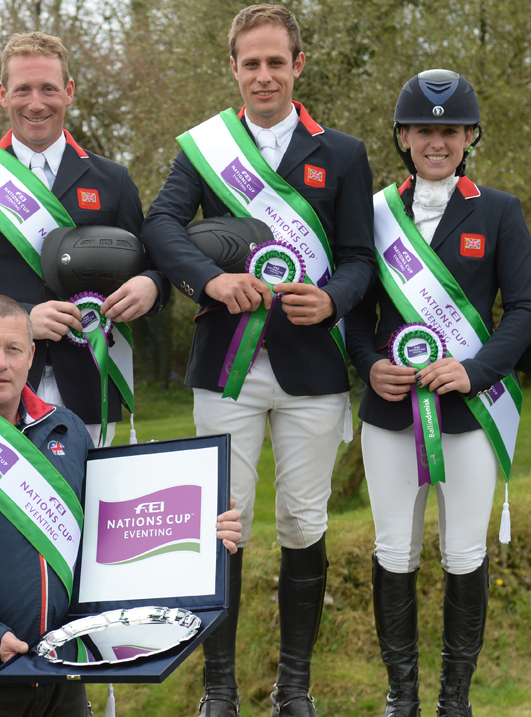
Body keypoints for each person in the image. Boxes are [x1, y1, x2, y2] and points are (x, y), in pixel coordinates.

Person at [140, 5, 376, 716]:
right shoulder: (204, 149)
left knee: (304, 523)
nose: (264, 75)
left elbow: (360, 257)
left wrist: (331, 300)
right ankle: (219, 690)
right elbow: (160, 224)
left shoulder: (343, 153)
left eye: (277, 62)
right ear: (234, 69)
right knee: (223, 521)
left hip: (313, 366)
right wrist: (209, 281)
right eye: (252, 63)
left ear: (298, 65)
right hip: (226, 365)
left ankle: (293, 689)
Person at [0, 294, 242, 717]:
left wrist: (202, 528)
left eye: (13, 349)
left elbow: (115, 535)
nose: (0, 363)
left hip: (62, 677)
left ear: (31, 356)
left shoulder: (67, 430)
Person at [346, 70, 531, 717]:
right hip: (389, 413)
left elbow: (523, 309)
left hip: (471, 411)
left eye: (451, 130)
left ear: (470, 136)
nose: (437, 141)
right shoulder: (373, 213)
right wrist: (370, 365)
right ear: (403, 135)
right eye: (424, 129)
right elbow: (355, 312)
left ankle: (456, 700)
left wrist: (476, 370)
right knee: (393, 550)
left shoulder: (500, 211)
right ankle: (402, 697)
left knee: (464, 553)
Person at [0, 31, 169, 448]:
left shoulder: (112, 180)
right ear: (3, 94)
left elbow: (153, 267)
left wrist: (153, 286)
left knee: (87, 492)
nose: (36, 103)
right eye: (23, 89)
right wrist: (22, 320)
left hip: (91, 383)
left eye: (48, 89)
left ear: (69, 92)